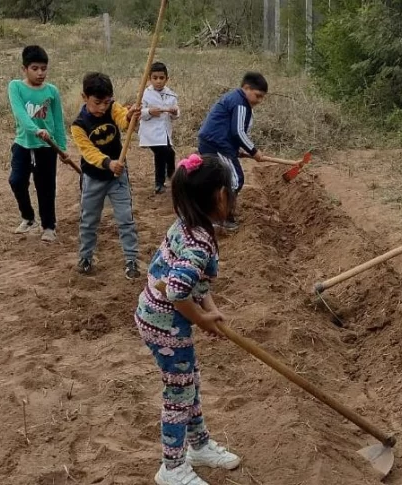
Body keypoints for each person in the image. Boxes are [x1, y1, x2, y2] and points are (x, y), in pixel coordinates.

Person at [134, 153, 241, 485]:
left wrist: (210, 309)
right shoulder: (198, 245)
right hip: (165, 324)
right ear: (221, 196)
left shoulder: (190, 224)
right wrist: (202, 320)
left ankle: (199, 446)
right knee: (178, 392)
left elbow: (195, 285)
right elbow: (177, 293)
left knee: (189, 381)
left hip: (161, 316)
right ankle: (172, 467)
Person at [70, 72, 141, 279]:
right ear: (85, 97)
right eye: (97, 102)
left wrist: (130, 116)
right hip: (93, 178)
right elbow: (88, 152)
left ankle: (131, 259)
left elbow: (124, 123)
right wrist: (109, 163)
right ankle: (85, 257)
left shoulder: (113, 108)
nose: (102, 107)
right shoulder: (78, 125)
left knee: (125, 218)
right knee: (89, 220)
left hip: (117, 178)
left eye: (106, 102)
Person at [7, 45, 69, 243]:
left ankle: (48, 226)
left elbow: (58, 121)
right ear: (24, 69)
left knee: (45, 187)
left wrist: (62, 148)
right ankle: (28, 217)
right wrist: (35, 129)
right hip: (23, 144)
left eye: (44, 68)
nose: (40, 73)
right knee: (16, 181)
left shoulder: (52, 91)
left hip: (46, 148)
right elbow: (20, 114)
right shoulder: (15, 87)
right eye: (35, 68)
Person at [197, 72, 267, 232]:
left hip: (212, 142)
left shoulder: (234, 99)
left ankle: (212, 215)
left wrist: (239, 149)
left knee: (218, 180)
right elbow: (238, 131)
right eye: (258, 96)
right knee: (234, 181)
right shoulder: (240, 102)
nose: (259, 101)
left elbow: (229, 129)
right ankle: (221, 218)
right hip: (218, 145)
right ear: (246, 88)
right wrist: (254, 151)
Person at [139, 61, 180, 195]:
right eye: (155, 78)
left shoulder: (172, 95)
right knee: (161, 152)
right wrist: (149, 112)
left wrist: (174, 112)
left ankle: (172, 177)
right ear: (149, 78)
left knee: (170, 153)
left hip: (165, 132)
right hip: (150, 133)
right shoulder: (144, 94)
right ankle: (160, 183)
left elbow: (175, 115)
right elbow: (139, 112)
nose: (158, 81)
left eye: (161, 78)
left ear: (167, 79)